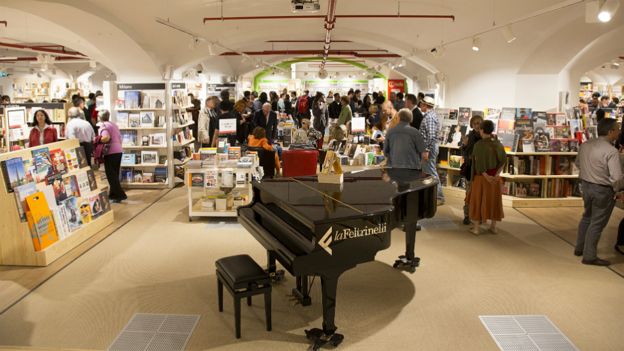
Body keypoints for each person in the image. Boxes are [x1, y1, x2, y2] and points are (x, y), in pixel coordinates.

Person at [574, 118, 624, 266]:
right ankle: (589, 256)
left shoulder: (585, 145)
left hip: (586, 186)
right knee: (597, 222)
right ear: (610, 132)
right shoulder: (611, 151)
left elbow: (577, 163)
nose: (619, 131)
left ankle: (579, 247)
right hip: (603, 190)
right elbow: (616, 178)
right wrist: (618, 189)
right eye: (617, 129)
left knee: (587, 217)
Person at [468, 120, 506, 235]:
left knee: (477, 201)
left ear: (482, 130)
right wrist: (495, 175)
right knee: (494, 201)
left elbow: (478, 163)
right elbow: (503, 161)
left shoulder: (479, 145)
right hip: (495, 179)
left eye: (480, 129)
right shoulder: (498, 144)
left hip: (481, 178)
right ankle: (493, 227)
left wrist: (486, 176)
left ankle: (476, 228)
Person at [419, 96, 445, 205]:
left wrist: (426, 150)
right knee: (429, 172)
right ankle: (433, 196)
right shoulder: (430, 115)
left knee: (432, 172)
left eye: (421, 104)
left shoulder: (429, 117)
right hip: (429, 147)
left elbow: (431, 136)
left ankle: (439, 197)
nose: (420, 105)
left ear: (425, 105)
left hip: (429, 148)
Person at [97, 110, 127, 203]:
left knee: (111, 174)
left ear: (100, 117)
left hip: (110, 151)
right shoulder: (113, 125)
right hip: (118, 150)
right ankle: (113, 195)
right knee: (115, 173)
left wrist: (98, 139)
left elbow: (106, 137)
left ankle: (119, 195)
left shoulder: (104, 125)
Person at [459, 115, 483, 225]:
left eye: (479, 123)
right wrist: (464, 145)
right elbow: (463, 153)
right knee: (468, 193)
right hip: (470, 169)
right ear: (472, 125)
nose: (477, 125)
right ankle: (467, 215)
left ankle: (479, 216)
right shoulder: (468, 136)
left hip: (482, 170)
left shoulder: (486, 137)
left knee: (481, 195)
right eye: (475, 123)